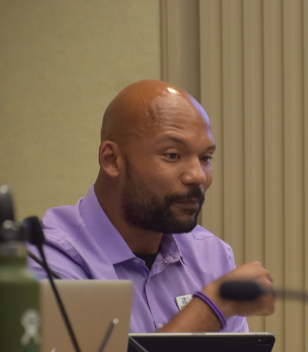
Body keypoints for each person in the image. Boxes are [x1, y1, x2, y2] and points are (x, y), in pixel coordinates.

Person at [28, 80, 274, 333]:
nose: (198, 176)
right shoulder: (48, 259)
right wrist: (215, 305)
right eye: (172, 155)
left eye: (205, 158)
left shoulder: (212, 255)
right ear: (111, 160)